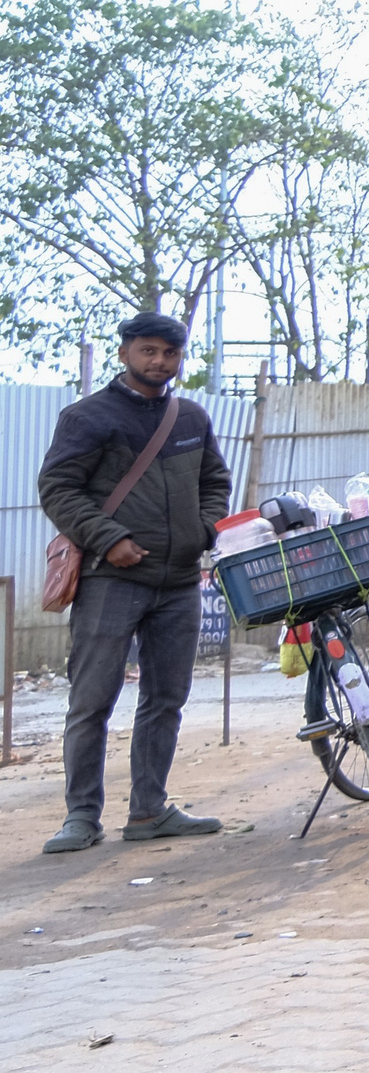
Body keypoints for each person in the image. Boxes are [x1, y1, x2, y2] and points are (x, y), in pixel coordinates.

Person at [35, 311, 229, 853]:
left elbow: (215, 481)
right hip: (110, 579)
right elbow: (57, 489)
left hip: (180, 582)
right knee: (92, 699)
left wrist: (206, 529)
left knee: (167, 698)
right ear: (125, 353)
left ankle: (149, 811)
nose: (159, 362)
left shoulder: (190, 417)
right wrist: (108, 537)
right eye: (148, 351)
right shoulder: (87, 417)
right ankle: (81, 816)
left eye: (169, 354)